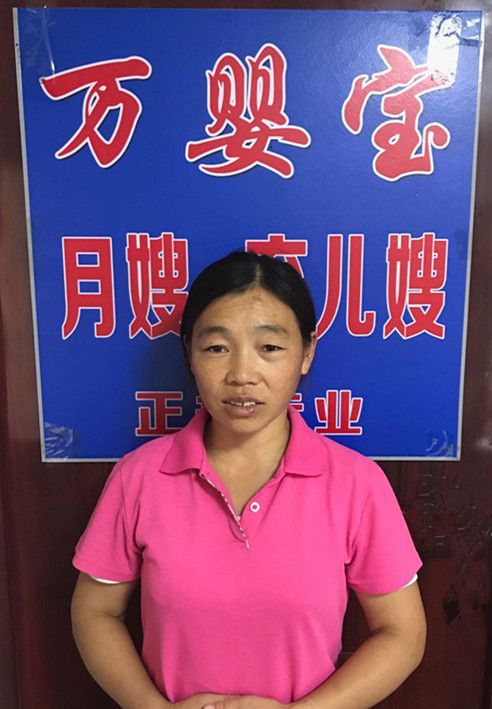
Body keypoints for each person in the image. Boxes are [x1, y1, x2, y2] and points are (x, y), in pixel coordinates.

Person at [71, 251, 426, 709]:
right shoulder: (139, 476)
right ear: (189, 353)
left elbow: (403, 634)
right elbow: (96, 611)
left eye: (269, 348)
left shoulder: (357, 484)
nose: (242, 375)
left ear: (307, 352)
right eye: (217, 348)